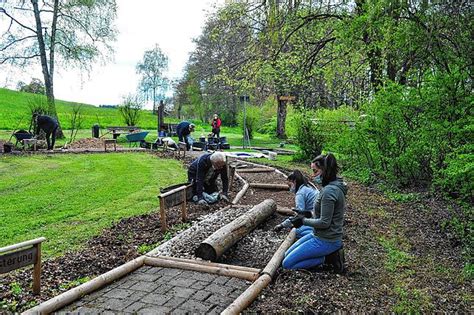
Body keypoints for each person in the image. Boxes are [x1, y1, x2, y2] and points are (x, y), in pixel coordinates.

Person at [282, 153, 348, 273]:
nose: (313, 176)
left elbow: (324, 222)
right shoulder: (330, 187)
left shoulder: (329, 191)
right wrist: (307, 214)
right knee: (286, 254)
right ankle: (325, 255)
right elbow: (325, 214)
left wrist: (302, 221)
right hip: (318, 234)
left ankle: (328, 258)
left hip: (327, 239)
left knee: (288, 264)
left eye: (315, 171)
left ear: (325, 170)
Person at [275, 170, 319, 238]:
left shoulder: (300, 194)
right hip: (319, 215)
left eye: (290, 185)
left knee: (297, 231)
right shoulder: (309, 185)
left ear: (294, 182)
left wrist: (282, 225)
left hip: (317, 219)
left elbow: (299, 215)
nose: (290, 189)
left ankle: (314, 234)